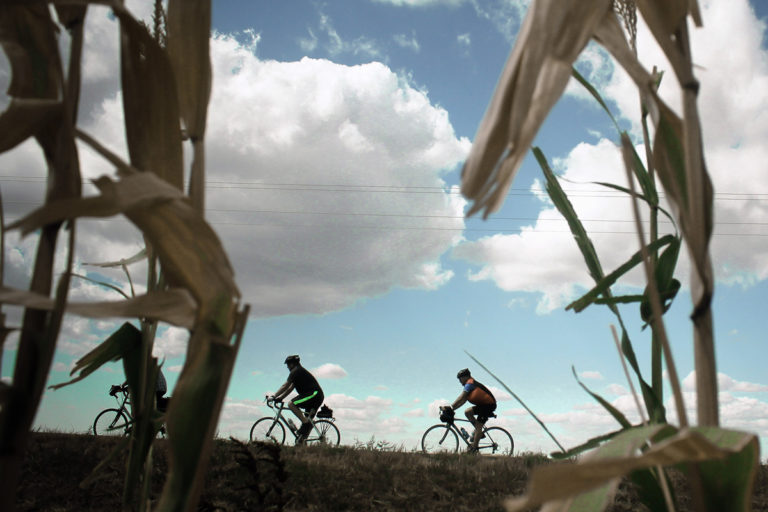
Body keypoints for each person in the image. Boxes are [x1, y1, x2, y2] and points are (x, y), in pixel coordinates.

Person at [271, 355, 325, 444]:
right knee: (306, 427)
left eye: (288, 365)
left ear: (292, 364)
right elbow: (290, 388)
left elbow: (285, 385)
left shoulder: (296, 371)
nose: (287, 367)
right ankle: (302, 442)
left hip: (314, 394)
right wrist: (280, 398)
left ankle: (305, 422)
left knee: (291, 404)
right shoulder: (299, 372)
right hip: (316, 396)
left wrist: (274, 396)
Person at [444, 368, 496, 453]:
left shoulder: (470, 383)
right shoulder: (469, 385)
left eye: (460, 379)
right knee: (467, 412)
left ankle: (474, 448)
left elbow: (461, 397)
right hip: (483, 405)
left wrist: (450, 407)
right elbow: (463, 401)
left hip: (488, 406)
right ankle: (479, 433)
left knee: (479, 426)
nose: (459, 381)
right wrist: (452, 409)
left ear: (465, 377)